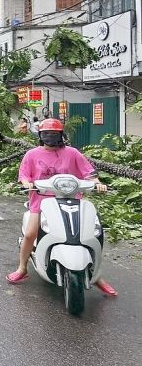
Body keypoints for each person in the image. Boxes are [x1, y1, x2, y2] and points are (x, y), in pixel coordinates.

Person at [8, 118, 117, 296]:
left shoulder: (72, 153)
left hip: (72, 201)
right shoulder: (32, 154)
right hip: (42, 202)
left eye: (54, 134)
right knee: (30, 234)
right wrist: (27, 183)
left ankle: (97, 276)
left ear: (61, 135)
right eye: (46, 134)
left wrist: (97, 183)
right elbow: (24, 175)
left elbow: (88, 172)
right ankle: (22, 268)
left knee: (93, 235)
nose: (50, 137)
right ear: (40, 136)